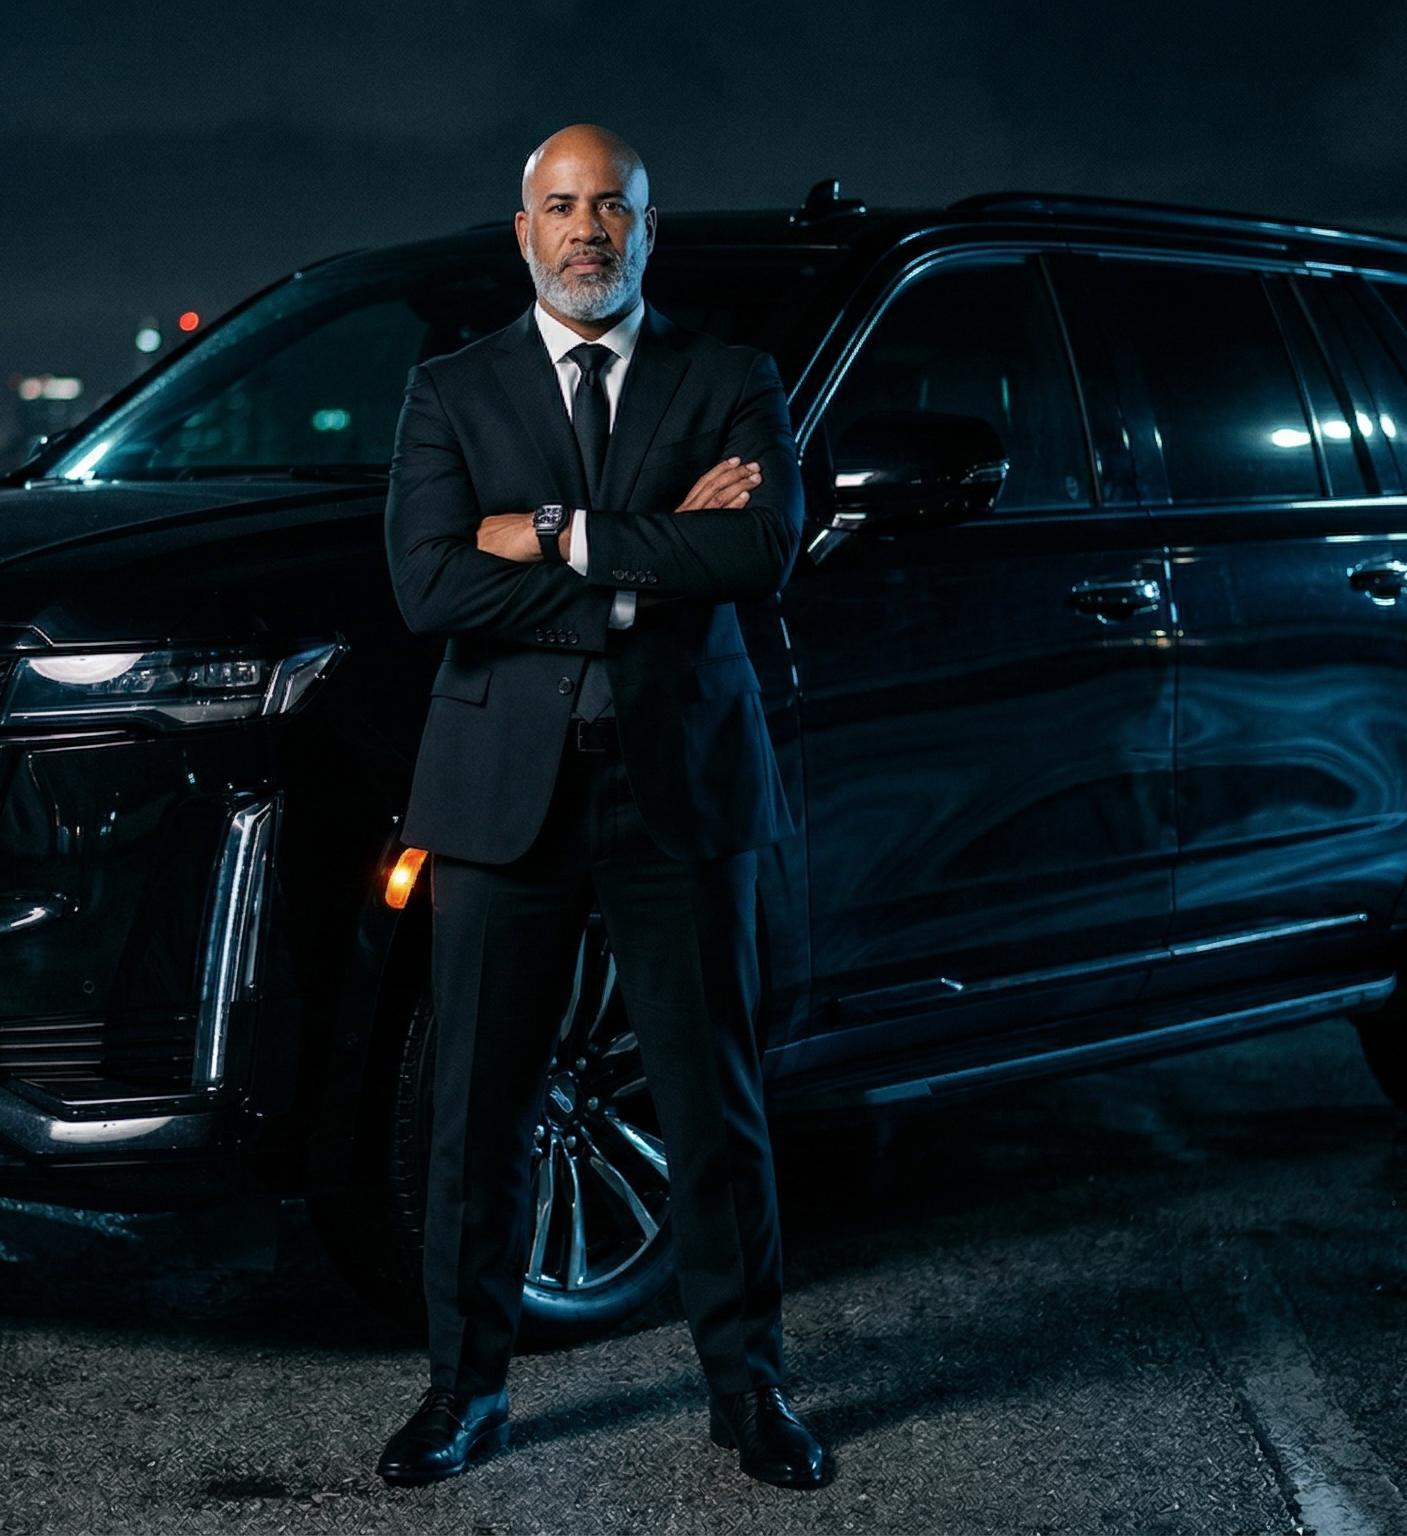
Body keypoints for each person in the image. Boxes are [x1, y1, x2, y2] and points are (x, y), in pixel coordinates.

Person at [375, 123, 830, 1491]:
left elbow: (756, 548)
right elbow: (430, 588)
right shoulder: (449, 391)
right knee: (477, 1111)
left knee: (715, 1106)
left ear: (649, 229)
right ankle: (466, 1394)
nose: (588, 232)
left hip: (677, 784)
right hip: (497, 793)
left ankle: (749, 1392)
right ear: (523, 233)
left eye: (613, 209)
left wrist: (561, 536)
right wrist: (647, 561)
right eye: (561, 208)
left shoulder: (729, 376)